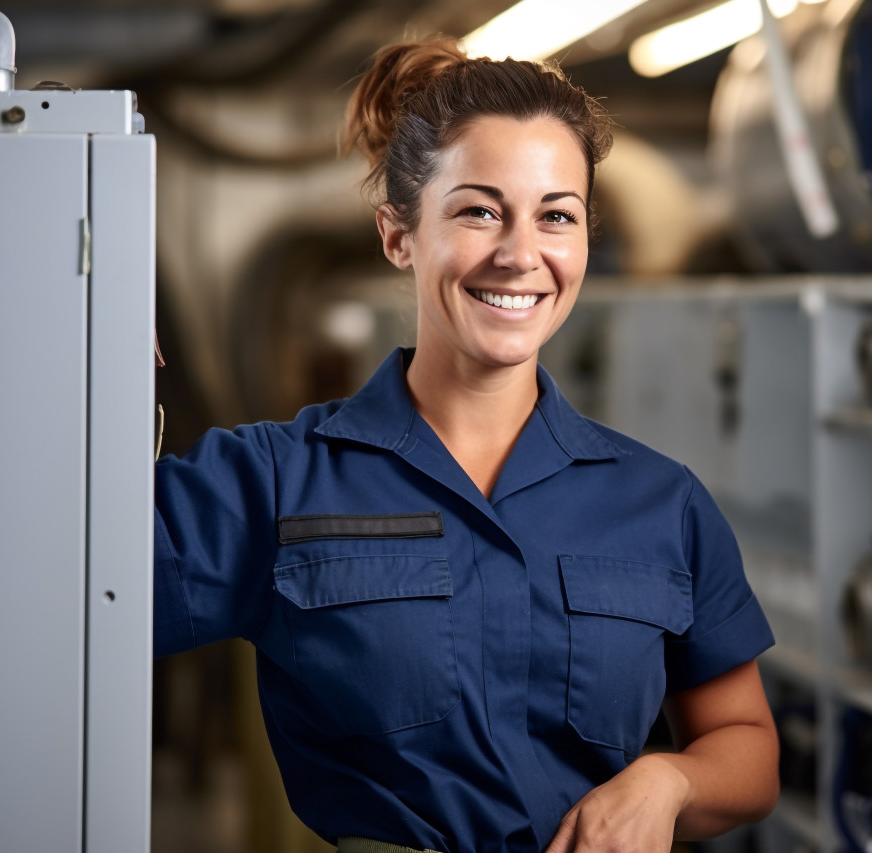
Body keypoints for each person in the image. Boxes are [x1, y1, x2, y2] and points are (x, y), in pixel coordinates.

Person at [153, 37, 780, 853]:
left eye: (556, 215)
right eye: (480, 210)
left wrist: (670, 779)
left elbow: (746, 743)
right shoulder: (274, 482)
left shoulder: (663, 502)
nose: (522, 255)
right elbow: (44, 592)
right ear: (398, 235)